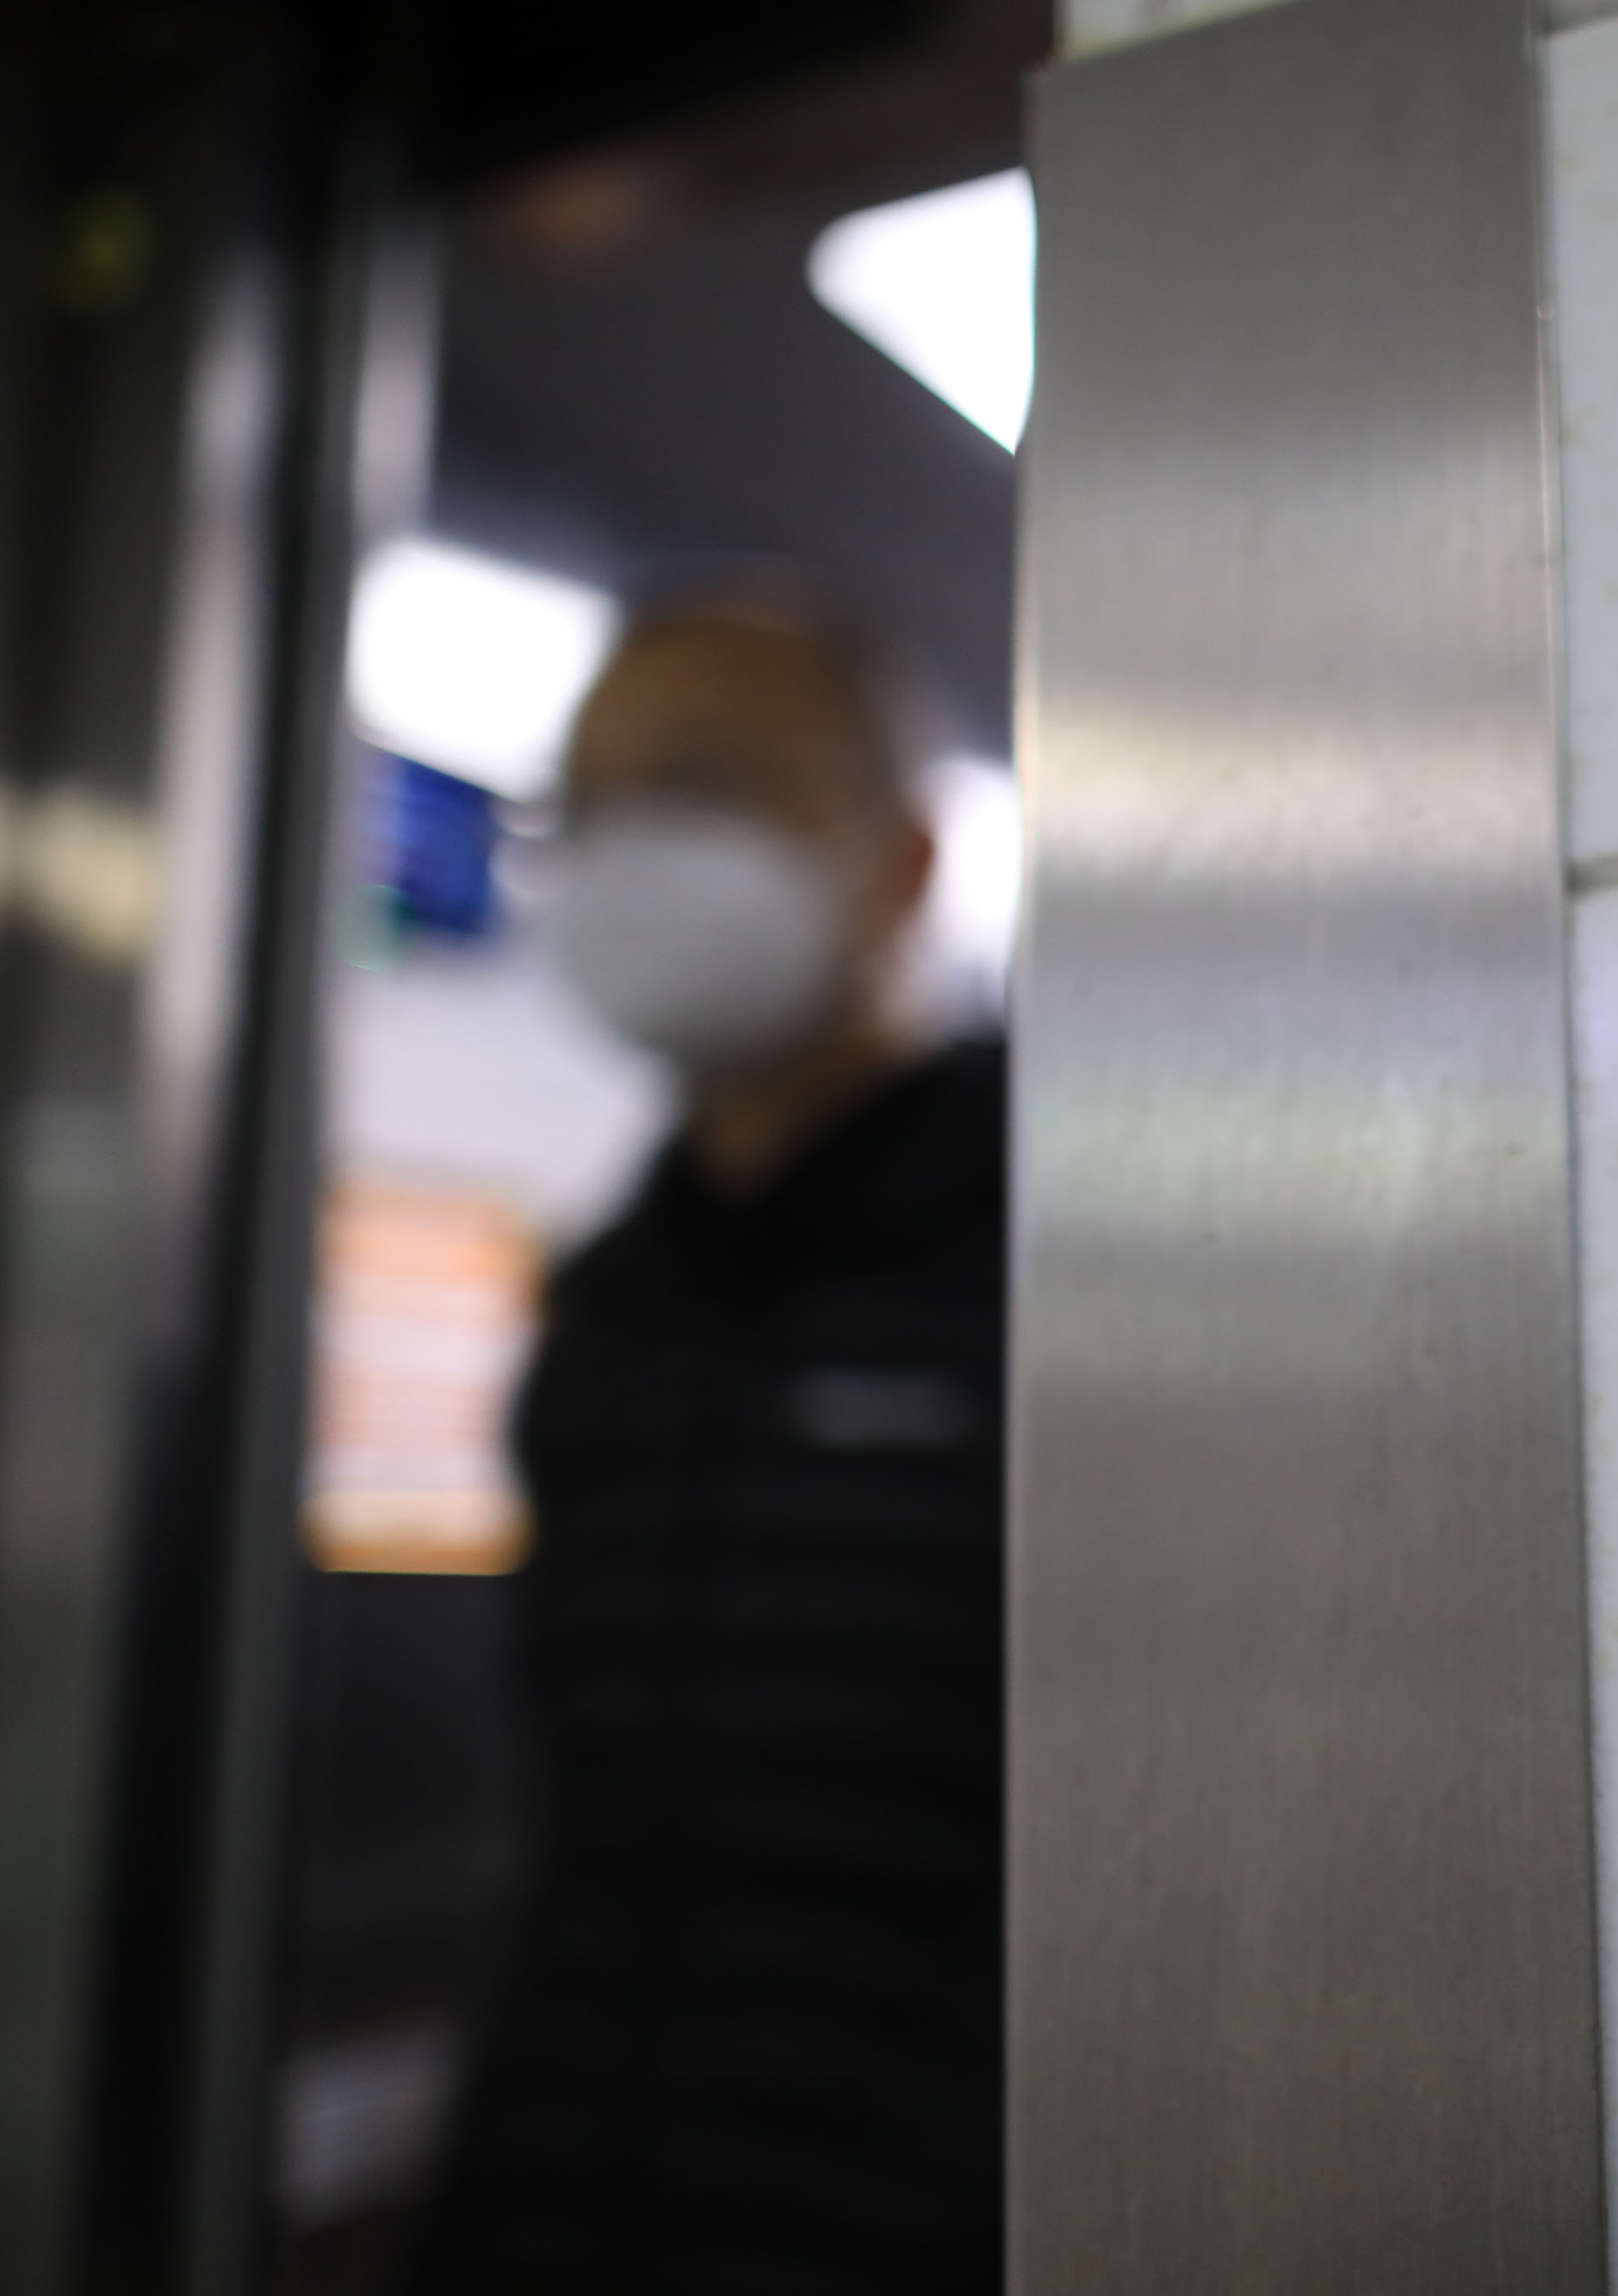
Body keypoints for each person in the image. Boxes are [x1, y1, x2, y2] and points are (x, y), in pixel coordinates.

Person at [412, 584, 1003, 2294]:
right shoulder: (609, 1317)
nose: (632, 850)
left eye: (705, 782)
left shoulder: (1061, 1291)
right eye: (589, 806)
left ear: (903, 863)